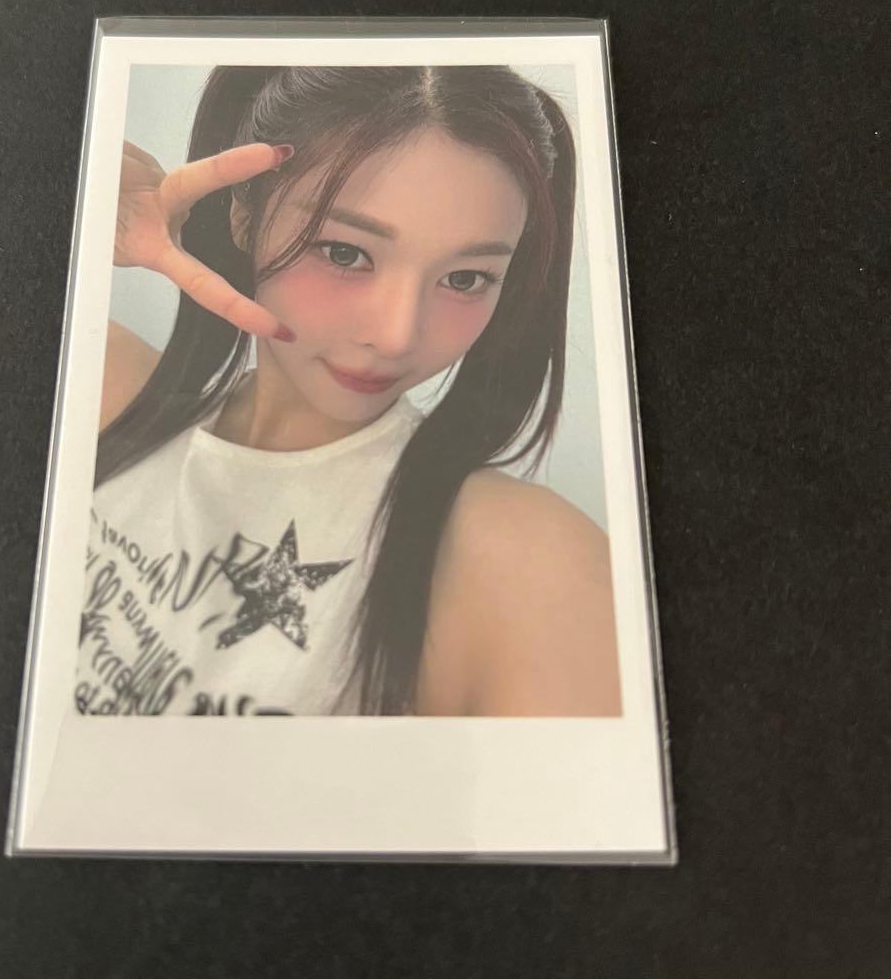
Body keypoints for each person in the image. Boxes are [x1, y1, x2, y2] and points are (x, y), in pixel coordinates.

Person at [77, 65, 621, 718]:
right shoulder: (103, 391)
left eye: (466, 278)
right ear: (244, 216)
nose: (396, 335)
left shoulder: (525, 563)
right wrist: (61, 214)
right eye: (344, 253)